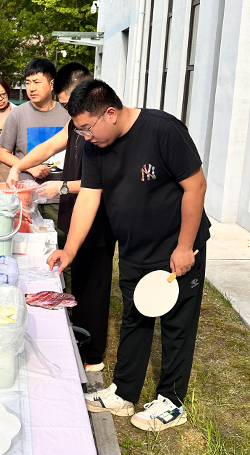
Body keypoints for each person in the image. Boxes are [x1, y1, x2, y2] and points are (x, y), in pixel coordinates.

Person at [47, 79, 210, 433]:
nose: (85, 137)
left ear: (110, 112)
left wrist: (184, 246)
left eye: (88, 129)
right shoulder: (95, 146)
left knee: (176, 325)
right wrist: (70, 248)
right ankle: (124, 390)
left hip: (175, 247)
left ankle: (172, 401)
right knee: (135, 316)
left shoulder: (163, 130)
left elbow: (195, 186)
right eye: (79, 132)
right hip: (134, 248)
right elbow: (90, 196)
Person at [6, 62, 115, 372]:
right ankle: (75, 339)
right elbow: (46, 147)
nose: (70, 113)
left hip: (96, 220)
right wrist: (18, 166)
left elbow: (103, 184)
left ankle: (91, 355)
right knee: (76, 282)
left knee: (94, 288)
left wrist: (64, 185)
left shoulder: (102, 130)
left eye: (70, 104)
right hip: (72, 215)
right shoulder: (74, 124)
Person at [0, 58, 69, 232]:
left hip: (59, 198)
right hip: (26, 199)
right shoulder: (17, 115)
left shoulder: (67, 113)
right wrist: (30, 167)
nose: (31, 88)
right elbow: (3, 153)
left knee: (60, 247)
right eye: (28, 82)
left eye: (37, 82)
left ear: (52, 84)